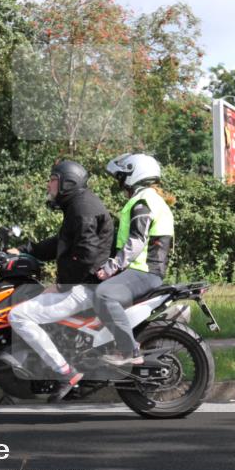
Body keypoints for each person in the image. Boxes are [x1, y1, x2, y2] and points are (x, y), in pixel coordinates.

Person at [7, 159, 114, 400]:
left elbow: (86, 255)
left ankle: (64, 371)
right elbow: (61, 244)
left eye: (53, 179)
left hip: (85, 287)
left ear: (67, 182)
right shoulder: (78, 205)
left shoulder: (82, 209)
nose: (49, 184)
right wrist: (27, 250)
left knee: (18, 315)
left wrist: (61, 285)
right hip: (86, 284)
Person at [94, 153, 175, 366]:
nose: (120, 182)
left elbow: (137, 241)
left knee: (104, 295)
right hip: (146, 271)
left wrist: (112, 267)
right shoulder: (150, 199)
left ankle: (128, 350)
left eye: (122, 176)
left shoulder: (143, 201)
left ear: (135, 174)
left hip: (144, 271)